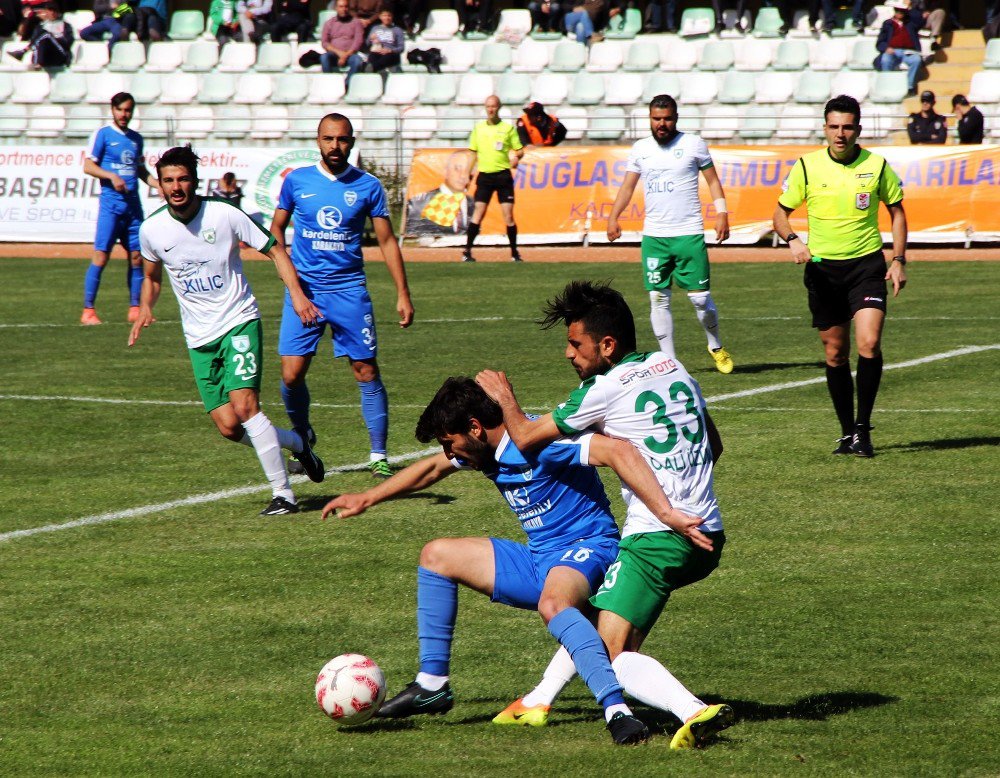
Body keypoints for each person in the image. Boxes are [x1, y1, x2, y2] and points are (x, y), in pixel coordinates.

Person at [322, 377, 708, 744]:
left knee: (553, 602)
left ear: (474, 427)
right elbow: (431, 469)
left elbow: (614, 450)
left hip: (591, 548)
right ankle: (432, 685)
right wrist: (367, 497)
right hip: (541, 557)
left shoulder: (539, 441)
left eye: (448, 442)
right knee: (436, 555)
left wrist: (665, 511)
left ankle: (617, 711)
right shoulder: (483, 451)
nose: (447, 453)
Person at [475, 280, 734, 750]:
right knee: (600, 626)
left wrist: (505, 397)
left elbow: (527, 438)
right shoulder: (673, 365)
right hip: (708, 532)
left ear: (607, 345)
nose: (570, 354)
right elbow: (713, 445)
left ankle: (694, 712)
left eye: (576, 344)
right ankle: (537, 700)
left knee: (609, 656)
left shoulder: (603, 389)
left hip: (659, 537)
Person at [128, 145, 326, 516]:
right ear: (158, 184)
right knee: (229, 427)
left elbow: (276, 250)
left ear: (195, 180)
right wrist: (145, 307)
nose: (176, 186)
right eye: (168, 180)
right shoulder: (152, 229)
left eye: (183, 178)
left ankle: (283, 494)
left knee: (246, 406)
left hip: (238, 321)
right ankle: (298, 443)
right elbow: (152, 277)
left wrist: (298, 296)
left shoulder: (223, 214)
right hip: (199, 337)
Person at [270, 114, 414, 479]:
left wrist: (402, 293)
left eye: (343, 140)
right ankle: (303, 433)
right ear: (317, 140)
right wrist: (293, 284)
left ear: (352, 142)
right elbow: (276, 230)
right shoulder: (297, 181)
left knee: (365, 370)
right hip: (305, 292)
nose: (336, 146)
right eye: (329, 139)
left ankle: (378, 453)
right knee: (290, 375)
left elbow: (386, 241)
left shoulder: (367, 186)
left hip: (349, 292)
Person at [772, 94, 908, 458]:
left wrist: (898, 259)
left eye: (847, 126)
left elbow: (897, 212)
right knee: (834, 354)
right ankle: (847, 433)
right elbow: (780, 213)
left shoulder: (876, 166)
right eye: (834, 126)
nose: (840, 133)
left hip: (866, 266)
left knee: (868, 343)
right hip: (823, 270)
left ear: (858, 129)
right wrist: (793, 239)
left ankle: (864, 429)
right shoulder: (806, 166)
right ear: (825, 129)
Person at [607, 94, 735, 376]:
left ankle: (715, 346)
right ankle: (671, 363)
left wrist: (722, 213)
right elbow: (628, 187)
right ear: (649, 119)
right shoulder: (640, 149)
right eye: (656, 119)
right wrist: (614, 216)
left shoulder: (693, 144)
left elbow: (713, 181)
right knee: (658, 298)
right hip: (655, 237)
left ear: (675, 118)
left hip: (688, 233)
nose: (661, 124)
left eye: (666, 119)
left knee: (700, 299)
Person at [81, 92, 158, 326]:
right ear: (112, 110)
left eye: (128, 110)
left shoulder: (136, 139)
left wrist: (158, 185)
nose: (124, 114)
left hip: (133, 206)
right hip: (111, 205)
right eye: (121, 110)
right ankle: (88, 310)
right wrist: (111, 176)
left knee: (137, 257)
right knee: (101, 256)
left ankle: (135, 308)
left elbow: (141, 171)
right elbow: (88, 166)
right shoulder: (103, 135)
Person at [463, 95, 524, 263]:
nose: (491, 109)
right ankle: (467, 251)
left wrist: (516, 157)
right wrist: (467, 173)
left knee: (508, 216)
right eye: (488, 106)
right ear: (485, 107)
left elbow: (519, 149)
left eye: (494, 106)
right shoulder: (479, 128)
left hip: (503, 175)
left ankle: (514, 253)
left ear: (499, 107)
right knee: (478, 213)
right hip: (485, 176)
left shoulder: (507, 128)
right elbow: (473, 153)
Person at [404, 149, 475, 235]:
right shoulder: (420, 203)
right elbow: (414, 233)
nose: (463, 175)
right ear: (445, 171)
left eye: (467, 171)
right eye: (457, 169)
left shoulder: (476, 205)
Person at [875, 0, 925, 97]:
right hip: (892, 51)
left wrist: (909, 8)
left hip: (909, 51)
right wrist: (886, 48)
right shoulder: (888, 23)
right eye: (898, 11)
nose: (900, 13)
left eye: (902, 11)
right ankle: (888, 85)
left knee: (916, 60)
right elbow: (880, 42)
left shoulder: (911, 23)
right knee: (885, 59)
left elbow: (920, 20)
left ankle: (910, 86)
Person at [9, 2, 73, 68]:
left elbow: (68, 42)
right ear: (46, 11)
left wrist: (53, 38)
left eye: (54, 10)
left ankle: (24, 52)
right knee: (43, 37)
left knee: (46, 35)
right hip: (45, 56)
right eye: (50, 10)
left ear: (58, 12)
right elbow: (31, 39)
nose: (52, 13)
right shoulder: (41, 26)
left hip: (59, 54)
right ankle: (36, 62)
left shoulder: (65, 25)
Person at [320, 0, 365, 82]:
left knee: (357, 61)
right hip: (334, 55)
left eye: (346, 6)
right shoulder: (329, 23)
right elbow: (325, 42)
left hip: (350, 55)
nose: (344, 9)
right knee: (324, 57)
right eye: (341, 6)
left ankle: (347, 85)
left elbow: (358, 42)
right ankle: (330, 83)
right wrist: (339, 53)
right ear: (336, 8)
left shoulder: (356, 23)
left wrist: (345, 55)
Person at [363, 7, 404, 79]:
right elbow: (367, 43)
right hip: (377, 51)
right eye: (384, 15)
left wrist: (390, 50)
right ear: (380, 17)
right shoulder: (375, 28)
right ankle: (375, 71)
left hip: (391, 53)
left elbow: (401, 48)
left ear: (392, 17)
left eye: (389, 16)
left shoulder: (397, 30)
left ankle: (371, 68)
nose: (387, 18)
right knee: (372, 56)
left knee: (387, 58)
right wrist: (371, 39)